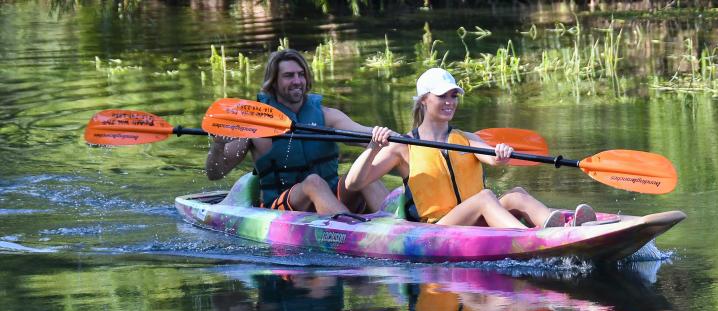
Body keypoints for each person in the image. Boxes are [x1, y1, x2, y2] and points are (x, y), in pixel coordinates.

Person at [345, 67, 596, 228]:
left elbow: (493, 160)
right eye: (442, 96)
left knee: (516, 193)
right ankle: (532, 239)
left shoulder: (465, 138)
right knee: (486, 198)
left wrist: (501, 154)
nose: (450, 102)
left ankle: (565, 228)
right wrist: (373, 148)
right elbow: (354, 185)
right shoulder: (403, 146)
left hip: (474, 220)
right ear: (424, 100)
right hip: (438, 229)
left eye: (454, 95)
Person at [206, 49, 389, 214]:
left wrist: (394, 138)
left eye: (301, 75)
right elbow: (215, 173)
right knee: (313, 182)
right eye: (288, 76)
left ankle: (400, 228)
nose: (297, 81)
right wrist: (218, 145)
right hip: (282, 207)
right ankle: (351, 230)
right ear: (274, 82)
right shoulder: (254, 125)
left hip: (332, 198)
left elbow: (365, 133)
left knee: (366, 176)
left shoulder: (327, 116)